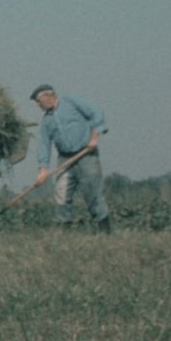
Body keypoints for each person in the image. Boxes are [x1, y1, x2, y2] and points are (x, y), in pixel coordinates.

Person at [31, 84, 111, 232]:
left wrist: (95, 136)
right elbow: (44, 144)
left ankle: (104, 230)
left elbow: (96, 112)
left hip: (86, 154)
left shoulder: (71, 101)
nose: (37, 104)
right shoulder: (47, 120)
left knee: (92, 193)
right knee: (61, 193)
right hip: (65, 159)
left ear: (47, 96)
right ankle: (64, 230)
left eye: (38, 100)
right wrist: (43, 170)